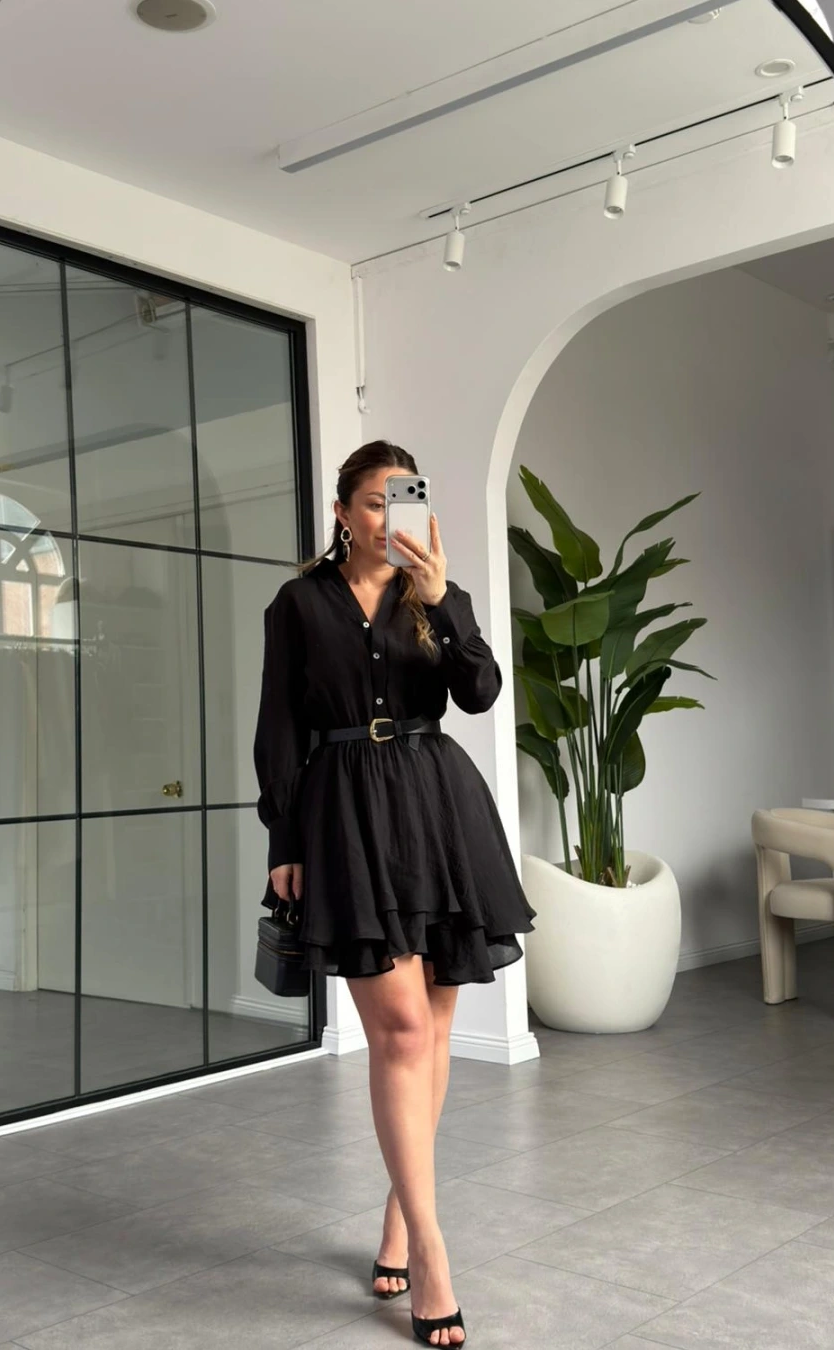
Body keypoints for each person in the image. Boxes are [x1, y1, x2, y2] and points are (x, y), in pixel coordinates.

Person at [253, 440, 536, 1348]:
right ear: (342, 511)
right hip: (344, 815)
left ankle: (397, 1224)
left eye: (405, 500)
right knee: (403, 1031)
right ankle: (434, 1251)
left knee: (436, 1032)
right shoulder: (299, 604)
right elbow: (278, 726)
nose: (389, 518)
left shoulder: (435, 597)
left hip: (436, 807)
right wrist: (284, 840)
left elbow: (481, 692)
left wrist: (442, 599)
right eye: (376, 502)